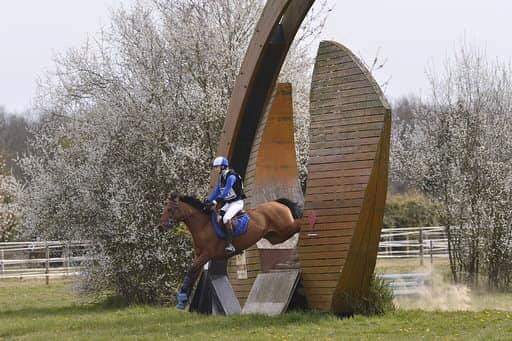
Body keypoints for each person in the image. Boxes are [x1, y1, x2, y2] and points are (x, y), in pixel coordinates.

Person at [205, 156, 246, 255]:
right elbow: (217, 191)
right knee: (218, 217)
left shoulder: (231, 176)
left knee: (226, 219)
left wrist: (215, 202)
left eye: (216, 167)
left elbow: (226, 190)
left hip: (237, 203)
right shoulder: (221, 177)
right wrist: (208, 200)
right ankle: (224, 239)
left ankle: (230, 245)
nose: (215, 169)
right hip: (229, 203)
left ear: (223, 166)